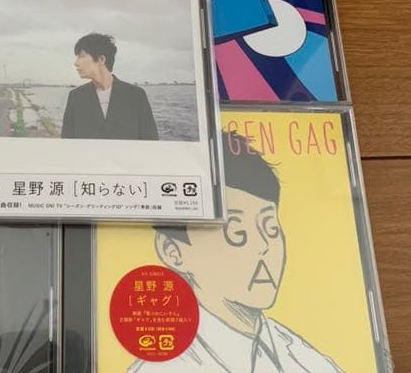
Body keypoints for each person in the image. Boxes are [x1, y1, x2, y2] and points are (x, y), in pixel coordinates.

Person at [129, 132, 343, 372]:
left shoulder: (306, 358)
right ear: (173, 251)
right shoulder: (163, 367)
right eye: (236, 232)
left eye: (271, 228)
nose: (264, 246)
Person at [61, 33, 158, 140]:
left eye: (81, 56)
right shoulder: (76, 97)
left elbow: (151, 142)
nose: (76, 63)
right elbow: (66, 142)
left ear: (101, 59)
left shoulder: (136, 96)